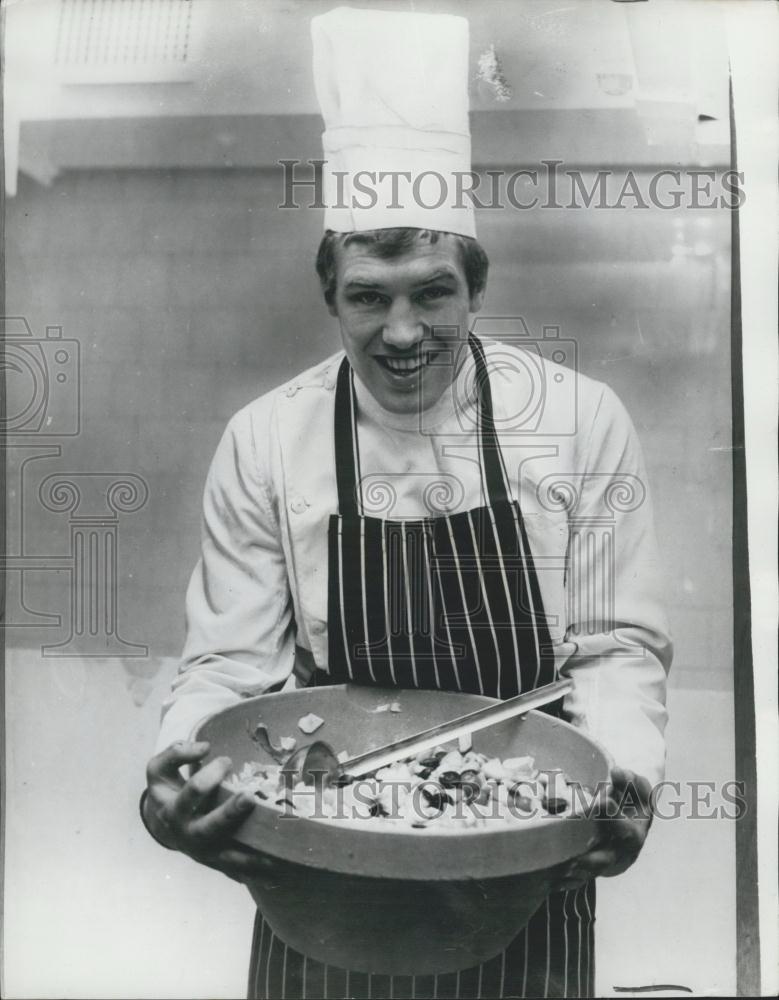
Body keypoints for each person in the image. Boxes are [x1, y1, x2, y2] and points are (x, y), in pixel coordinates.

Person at [142, 8, 672, 998]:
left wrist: (625, 772)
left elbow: (612, 650)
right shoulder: (268, 439)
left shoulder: (579, 419)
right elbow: (225, 663)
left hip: (518, 859)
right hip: (322, 866)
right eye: (367, 296)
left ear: (473, 286)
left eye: (430, 292)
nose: (401, 332)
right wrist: (176, 766)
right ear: (329, 296)